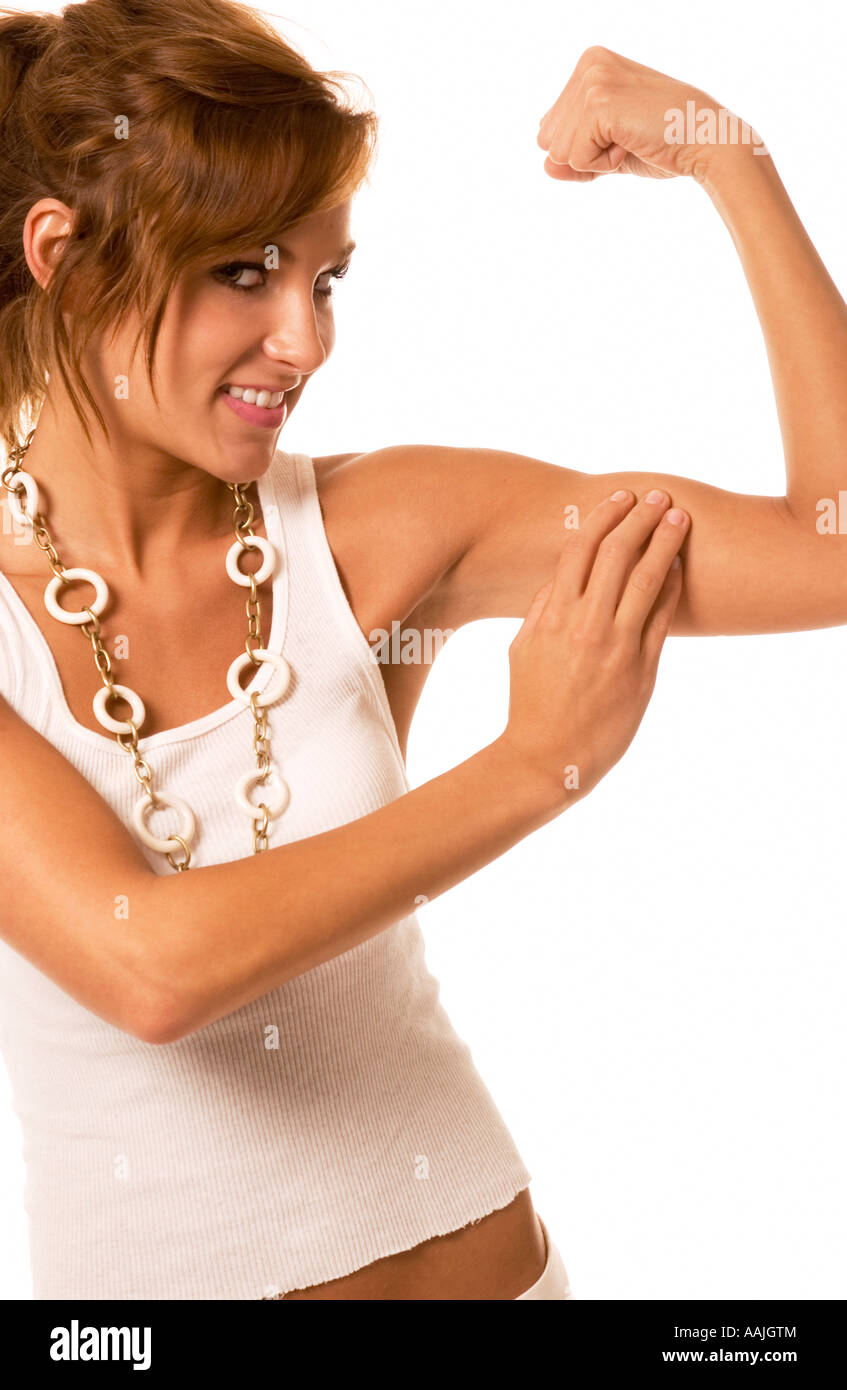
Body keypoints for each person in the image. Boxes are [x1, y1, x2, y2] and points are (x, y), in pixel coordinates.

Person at [0, 4, 844, 1301]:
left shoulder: (376, 531)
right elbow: (148, 966)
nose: (307, 338)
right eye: (244, 272)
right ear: (61, 252)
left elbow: (832, 545)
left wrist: (727, 150)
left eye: (324, 278)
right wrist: (535, 766)